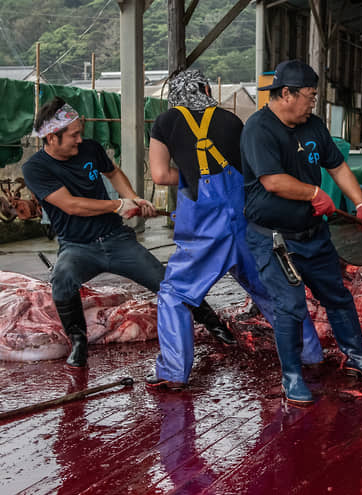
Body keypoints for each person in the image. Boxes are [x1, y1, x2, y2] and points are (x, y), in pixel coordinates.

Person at [22, 97, 232, 370]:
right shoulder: (35, 168)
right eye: (73, 135)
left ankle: (213, 323)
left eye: (80, 133)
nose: (79, 140)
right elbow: (71, 206)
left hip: (116, 239)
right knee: (61, 280)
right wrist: (119, 205)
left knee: (165, 279)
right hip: (77, 246)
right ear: (52, 137)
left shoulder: (90, 149)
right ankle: (77, 339)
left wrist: (134, 198)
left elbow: (114, 172)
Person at [146, 69, 323, 390]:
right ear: (206, 88)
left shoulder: (166, 121)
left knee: (175, 295)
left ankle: (173, 373)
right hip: (246, 220)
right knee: (272, 291)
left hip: (204, 227)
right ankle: (310, 354)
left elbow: (159, 175)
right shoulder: (232, 121)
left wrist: (189, 174)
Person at [241, 59, 362, 407]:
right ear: (287, 93)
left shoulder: (314, 125)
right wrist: (312, 193)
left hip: (313, 233)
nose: (313, 102)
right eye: (310, 95)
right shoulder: (258, 128)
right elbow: (272, 181)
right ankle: (292, 375)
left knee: (337, 296)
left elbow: (336, 166)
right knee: (290, 307)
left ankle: (358, 357)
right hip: (274, 239)